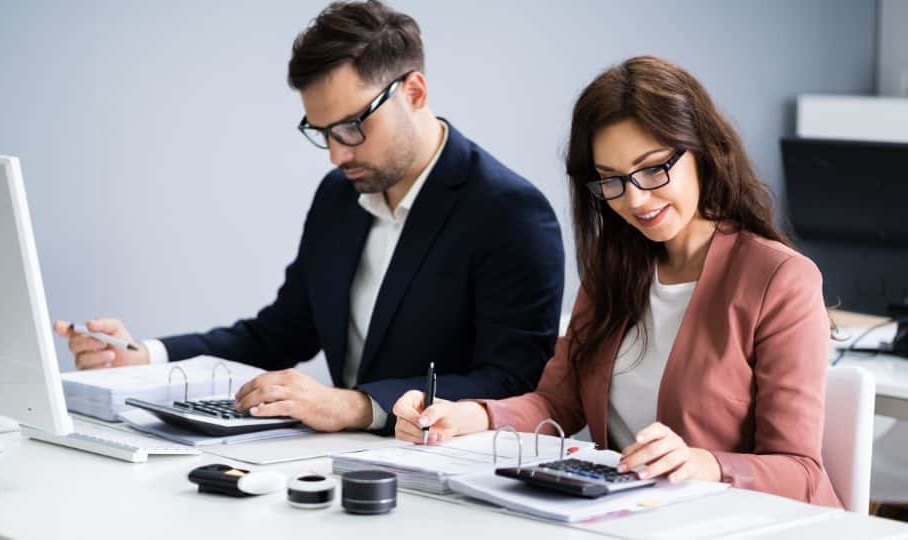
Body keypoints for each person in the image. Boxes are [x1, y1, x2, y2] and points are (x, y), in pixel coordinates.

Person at [54, 0, 564, 436]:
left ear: (414, 92)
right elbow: (278, 334)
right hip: (338, 466)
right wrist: (146, 356)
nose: (336, 156)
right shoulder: (339, 196)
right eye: (321, 132)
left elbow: (511, 382)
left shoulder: (509, 212)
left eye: (351, 127)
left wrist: (357, 405)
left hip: (448, 478)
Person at [393, 55, 842, 507]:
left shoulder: (780, 279)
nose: (635, 199)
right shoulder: (617, 270)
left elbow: (799, 470)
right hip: (645, 518)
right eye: (612, 180)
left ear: (702, 150)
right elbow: (557, 403)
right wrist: (467, 415)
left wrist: (705, 464)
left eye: (652, 168)